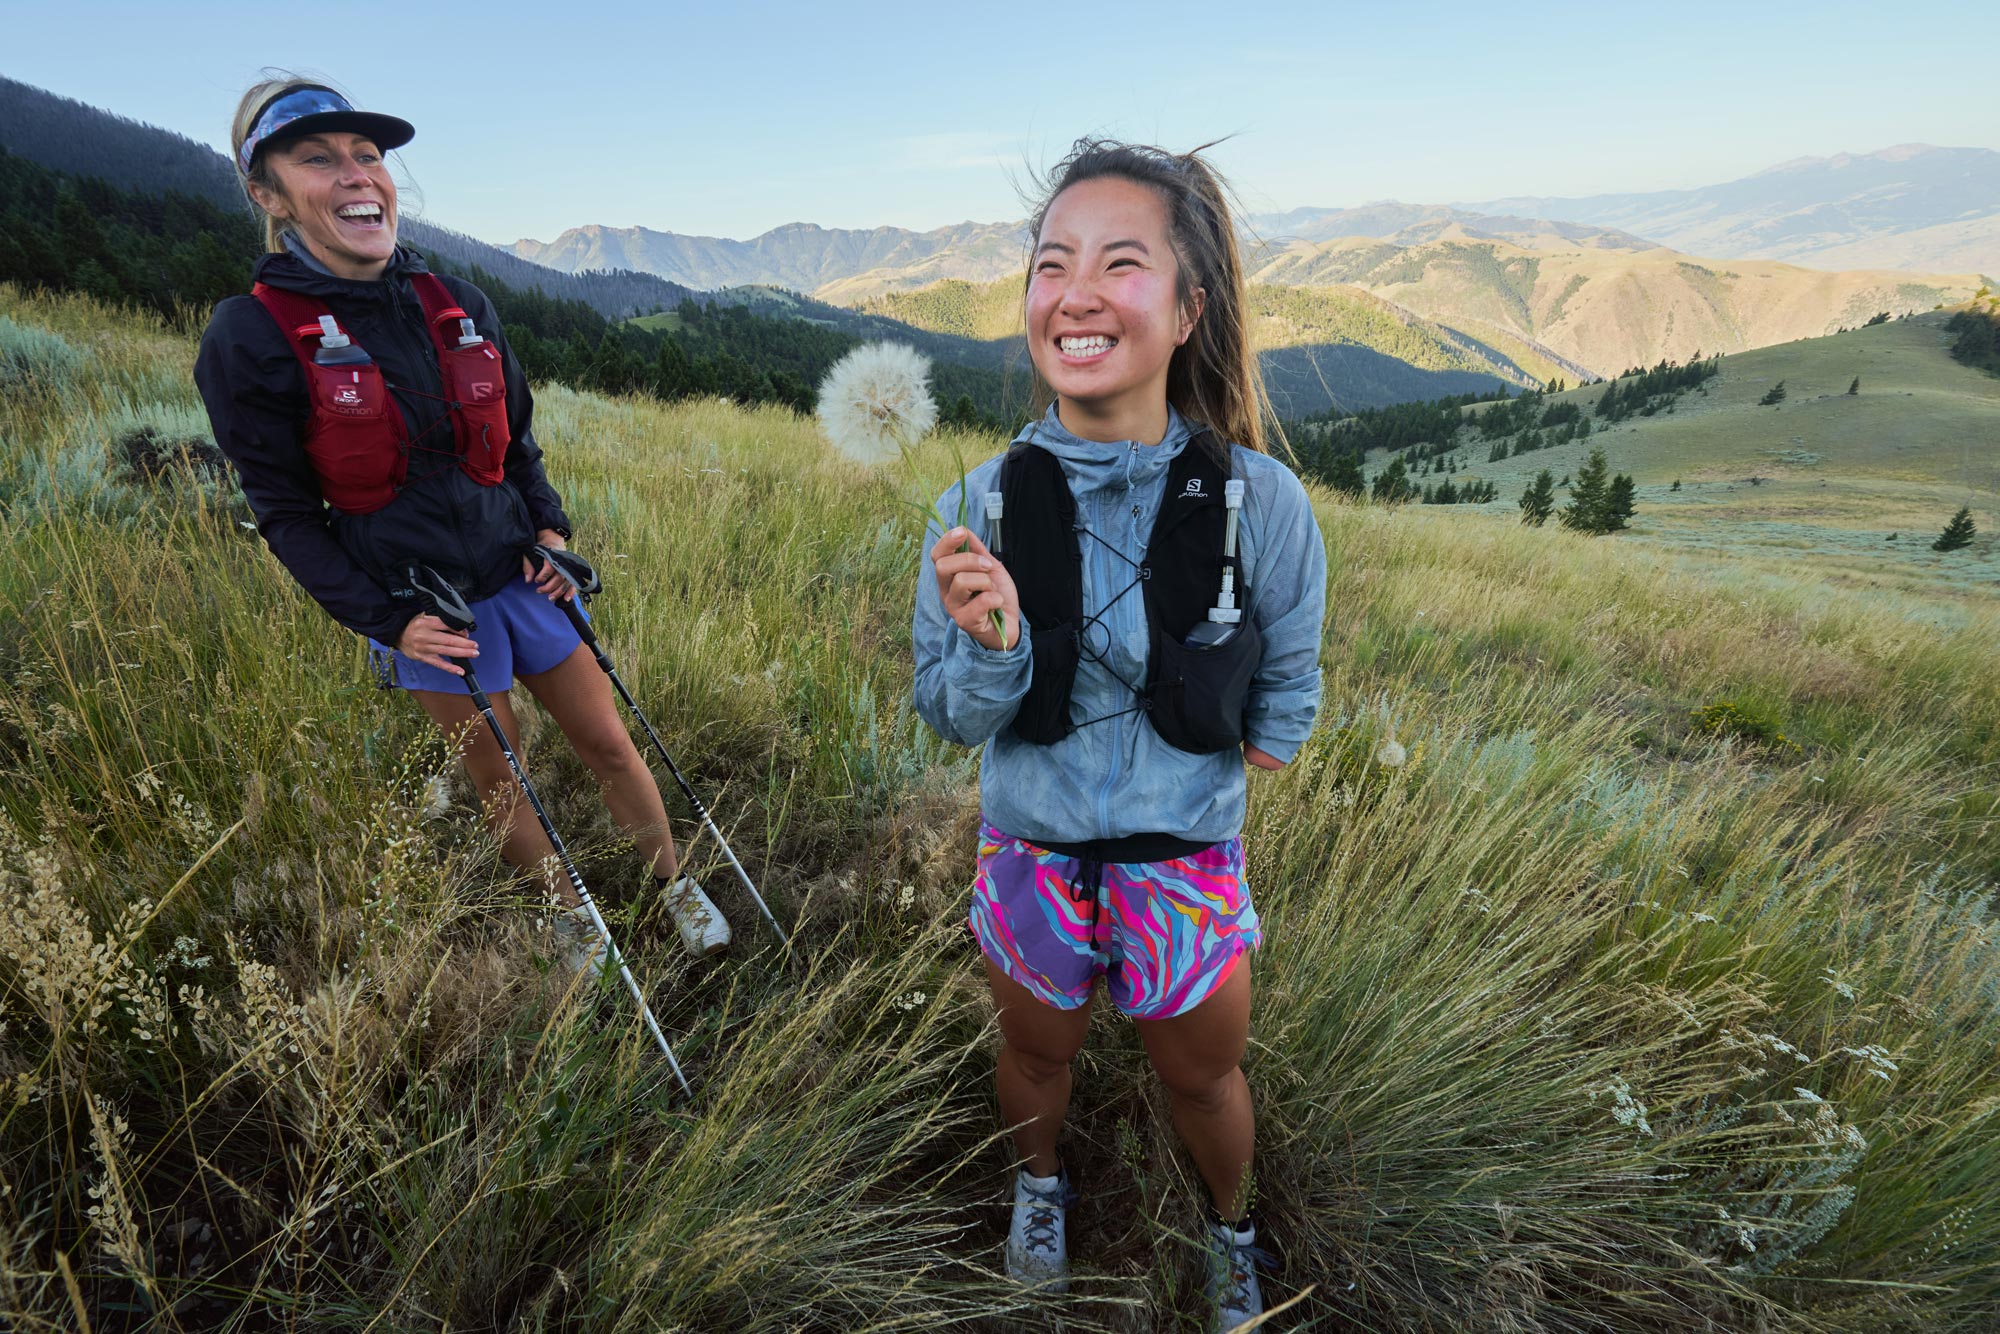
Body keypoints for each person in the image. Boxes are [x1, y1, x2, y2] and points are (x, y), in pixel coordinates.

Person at [912, 140, 1326, 1331]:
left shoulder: (1262, 502)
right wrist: (991, 647)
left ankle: (1228, 1226)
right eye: (1051, 264)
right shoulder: (972, 504)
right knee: (1034, 1061)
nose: (1074, 292)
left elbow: (1287, 663)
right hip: (1030, 857)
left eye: (1118, 263)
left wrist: (1268, 743)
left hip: (1184, 865)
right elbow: (946, 713)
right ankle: (1037, 1188)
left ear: (1190, 306)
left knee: (1202, 1074)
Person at [194, 76, 730, 965]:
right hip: (426, 610)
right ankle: (568, 916)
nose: (356, 173)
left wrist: (552, 536)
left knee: (607, 743)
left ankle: (673, 883)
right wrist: (389, 621)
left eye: (368, 154)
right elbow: (285, 517)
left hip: (522, 577)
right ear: (269, 193)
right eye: (317, 158)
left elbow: (516, 444)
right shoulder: (250, 337)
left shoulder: (458, 304)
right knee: (500, 775)